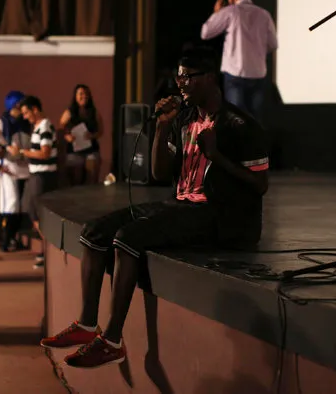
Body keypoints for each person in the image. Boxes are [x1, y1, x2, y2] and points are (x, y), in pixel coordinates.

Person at [39, 47, 270, 368]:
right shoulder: (185, 118)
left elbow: (260, 185)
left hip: (218, 214)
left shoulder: (239, 124)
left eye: (189, 77)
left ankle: (112, 340)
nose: (182, 84)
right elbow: (160, 174)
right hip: (181, 203)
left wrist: (217, 156)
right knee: (93, 232)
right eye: (179, 77)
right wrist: (162, 127)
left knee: (126, 238)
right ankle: (87, 325)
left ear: (210, 78)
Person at [200, 0, 278, 123]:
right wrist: (257, 51)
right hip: (258, 74)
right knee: (256, 123)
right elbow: (273, 44)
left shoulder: (230, 11)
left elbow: (205, 33)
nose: (228, 1)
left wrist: (217, 13)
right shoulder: (264, 14)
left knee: (236, 121)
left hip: (235, 74)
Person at [9, 95, 59, 269]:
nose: (24, 116)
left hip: (43, 176)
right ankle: (47, 249)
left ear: (35, 109)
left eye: (26, 112)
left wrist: (22, 152)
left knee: (38, 213)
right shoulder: (38, 126)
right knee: (31, 210)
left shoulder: (45, 126)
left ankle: (48, 252)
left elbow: (45, 153)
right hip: (35, 174)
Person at [0, 91, 31, 252]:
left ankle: (16, 238)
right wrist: (0, 160)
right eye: (19, 104)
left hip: (26, 168)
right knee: (11, 203)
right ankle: (5, 240)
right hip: (9, 168)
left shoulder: (26, 122)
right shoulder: (2, 123)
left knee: (23, 206)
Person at [59, 84, 104, 185]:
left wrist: (92, 136)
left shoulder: (94, 112)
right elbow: (61, 128)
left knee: (91, 177)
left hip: (91, 149)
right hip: (74, 150)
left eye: (86, 94)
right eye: (81, 94)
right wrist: (67, 136)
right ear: (75, 96)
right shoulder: (69, 112)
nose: (84, 96)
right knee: (76, 178)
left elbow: (101, 131)